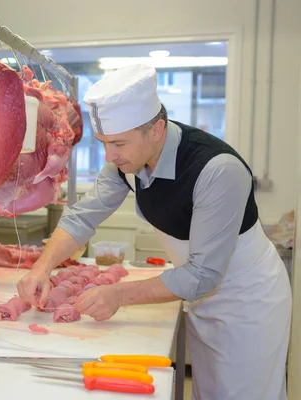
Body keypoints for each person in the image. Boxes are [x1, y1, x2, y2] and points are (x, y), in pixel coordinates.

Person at [17, 63, 291, 399]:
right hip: (199, 294)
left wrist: (118, 295)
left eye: (118, 143)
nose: (109, 155)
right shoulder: (127, 160)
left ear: (157, 129)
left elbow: (203, 274)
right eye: (104, 143)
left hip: (248, 303)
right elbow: (82, 217)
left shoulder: (218, 170)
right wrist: (41, 269)